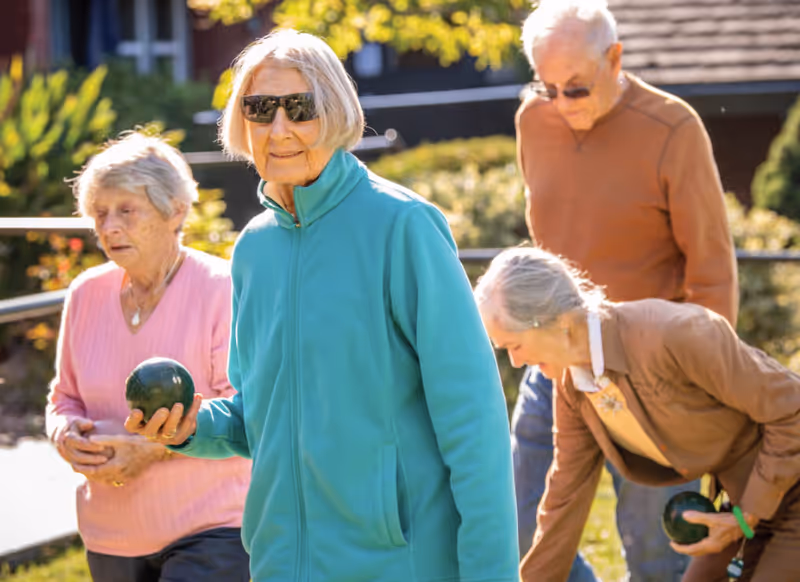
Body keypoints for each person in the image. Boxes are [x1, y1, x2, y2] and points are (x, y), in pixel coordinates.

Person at [124, 29, 519, 582]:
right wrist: (188, 427)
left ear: (333, 113)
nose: (279, 130)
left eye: (299, 108)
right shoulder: (254, 250)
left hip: (399, 563)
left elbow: (474, 424)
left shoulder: (403, 228)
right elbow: (258, 418)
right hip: (280, 563)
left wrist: (490, 575)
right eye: (260, 110)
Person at [512, 1, 739, 579]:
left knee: (657, 557)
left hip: (653, 378)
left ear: (615, 58)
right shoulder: (532, 120)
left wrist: (703, 386)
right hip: (555, 363)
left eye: (576, 89)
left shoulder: (674, 129)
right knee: (515, 530)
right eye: (547, 86)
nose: (560, 104)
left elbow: (711, 271)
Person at [475, 246, 800, 582]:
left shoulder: (676, 333)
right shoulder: (572, 385)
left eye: (514, 345)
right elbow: (564, 500)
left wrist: (748, 513)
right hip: (742, 505)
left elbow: (793, 408)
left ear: (558, 323)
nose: (515, 362)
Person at [45, 133, 252, 582]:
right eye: (99, 212)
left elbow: (243, 410)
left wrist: (152, 450)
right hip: (111, 533)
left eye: (126, 210)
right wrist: (65, 433)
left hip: (212, 528)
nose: (109, 226)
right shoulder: (86, 293)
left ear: (175, 210)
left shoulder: (221, 288)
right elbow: (63, 397)